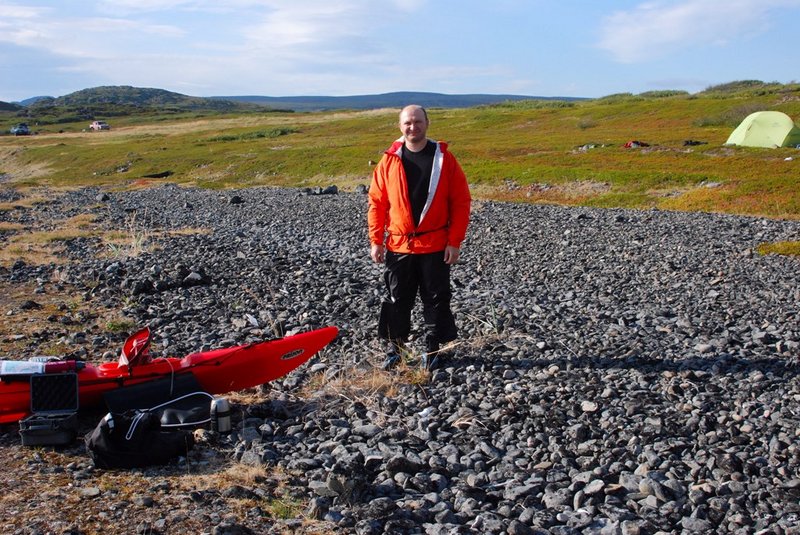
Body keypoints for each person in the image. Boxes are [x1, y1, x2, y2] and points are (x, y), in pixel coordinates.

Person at [367, 104, 471, 370]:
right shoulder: (389, 160)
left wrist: (454, 241)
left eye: (417, 122)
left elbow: (460, 202)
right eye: (407, 123)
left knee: (436, 299)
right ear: (400, 126)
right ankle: (396, 349)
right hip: (399, 244)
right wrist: (376, 240)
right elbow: (377, 202)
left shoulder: (444, 159)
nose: (413, 127)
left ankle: (434, 349)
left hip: (435, 245)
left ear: (427, 123)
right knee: (396, 299)